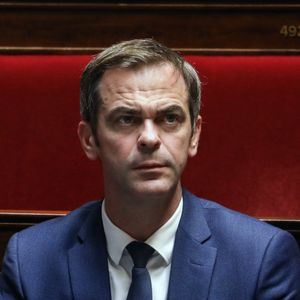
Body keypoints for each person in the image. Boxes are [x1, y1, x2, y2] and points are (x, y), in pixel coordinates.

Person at [1, 39, 300, 300]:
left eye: (169, 118)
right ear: (90, 140)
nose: (150, 138)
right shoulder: (31, 260)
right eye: (126, 119)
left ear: (194, 135)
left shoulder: (260, 258)